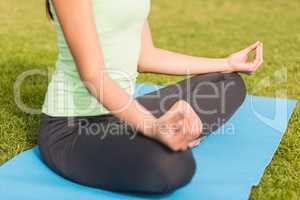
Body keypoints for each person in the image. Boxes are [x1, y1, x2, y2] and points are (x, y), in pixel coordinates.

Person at [38, 0, 263, 194]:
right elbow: (94, 77)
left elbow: (146, 56)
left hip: (123, 112)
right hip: (73, 127)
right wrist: (152, 126)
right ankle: (167, 136)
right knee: (174, 166)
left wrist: (226, 63)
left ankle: (167, 134)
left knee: (228, 83)